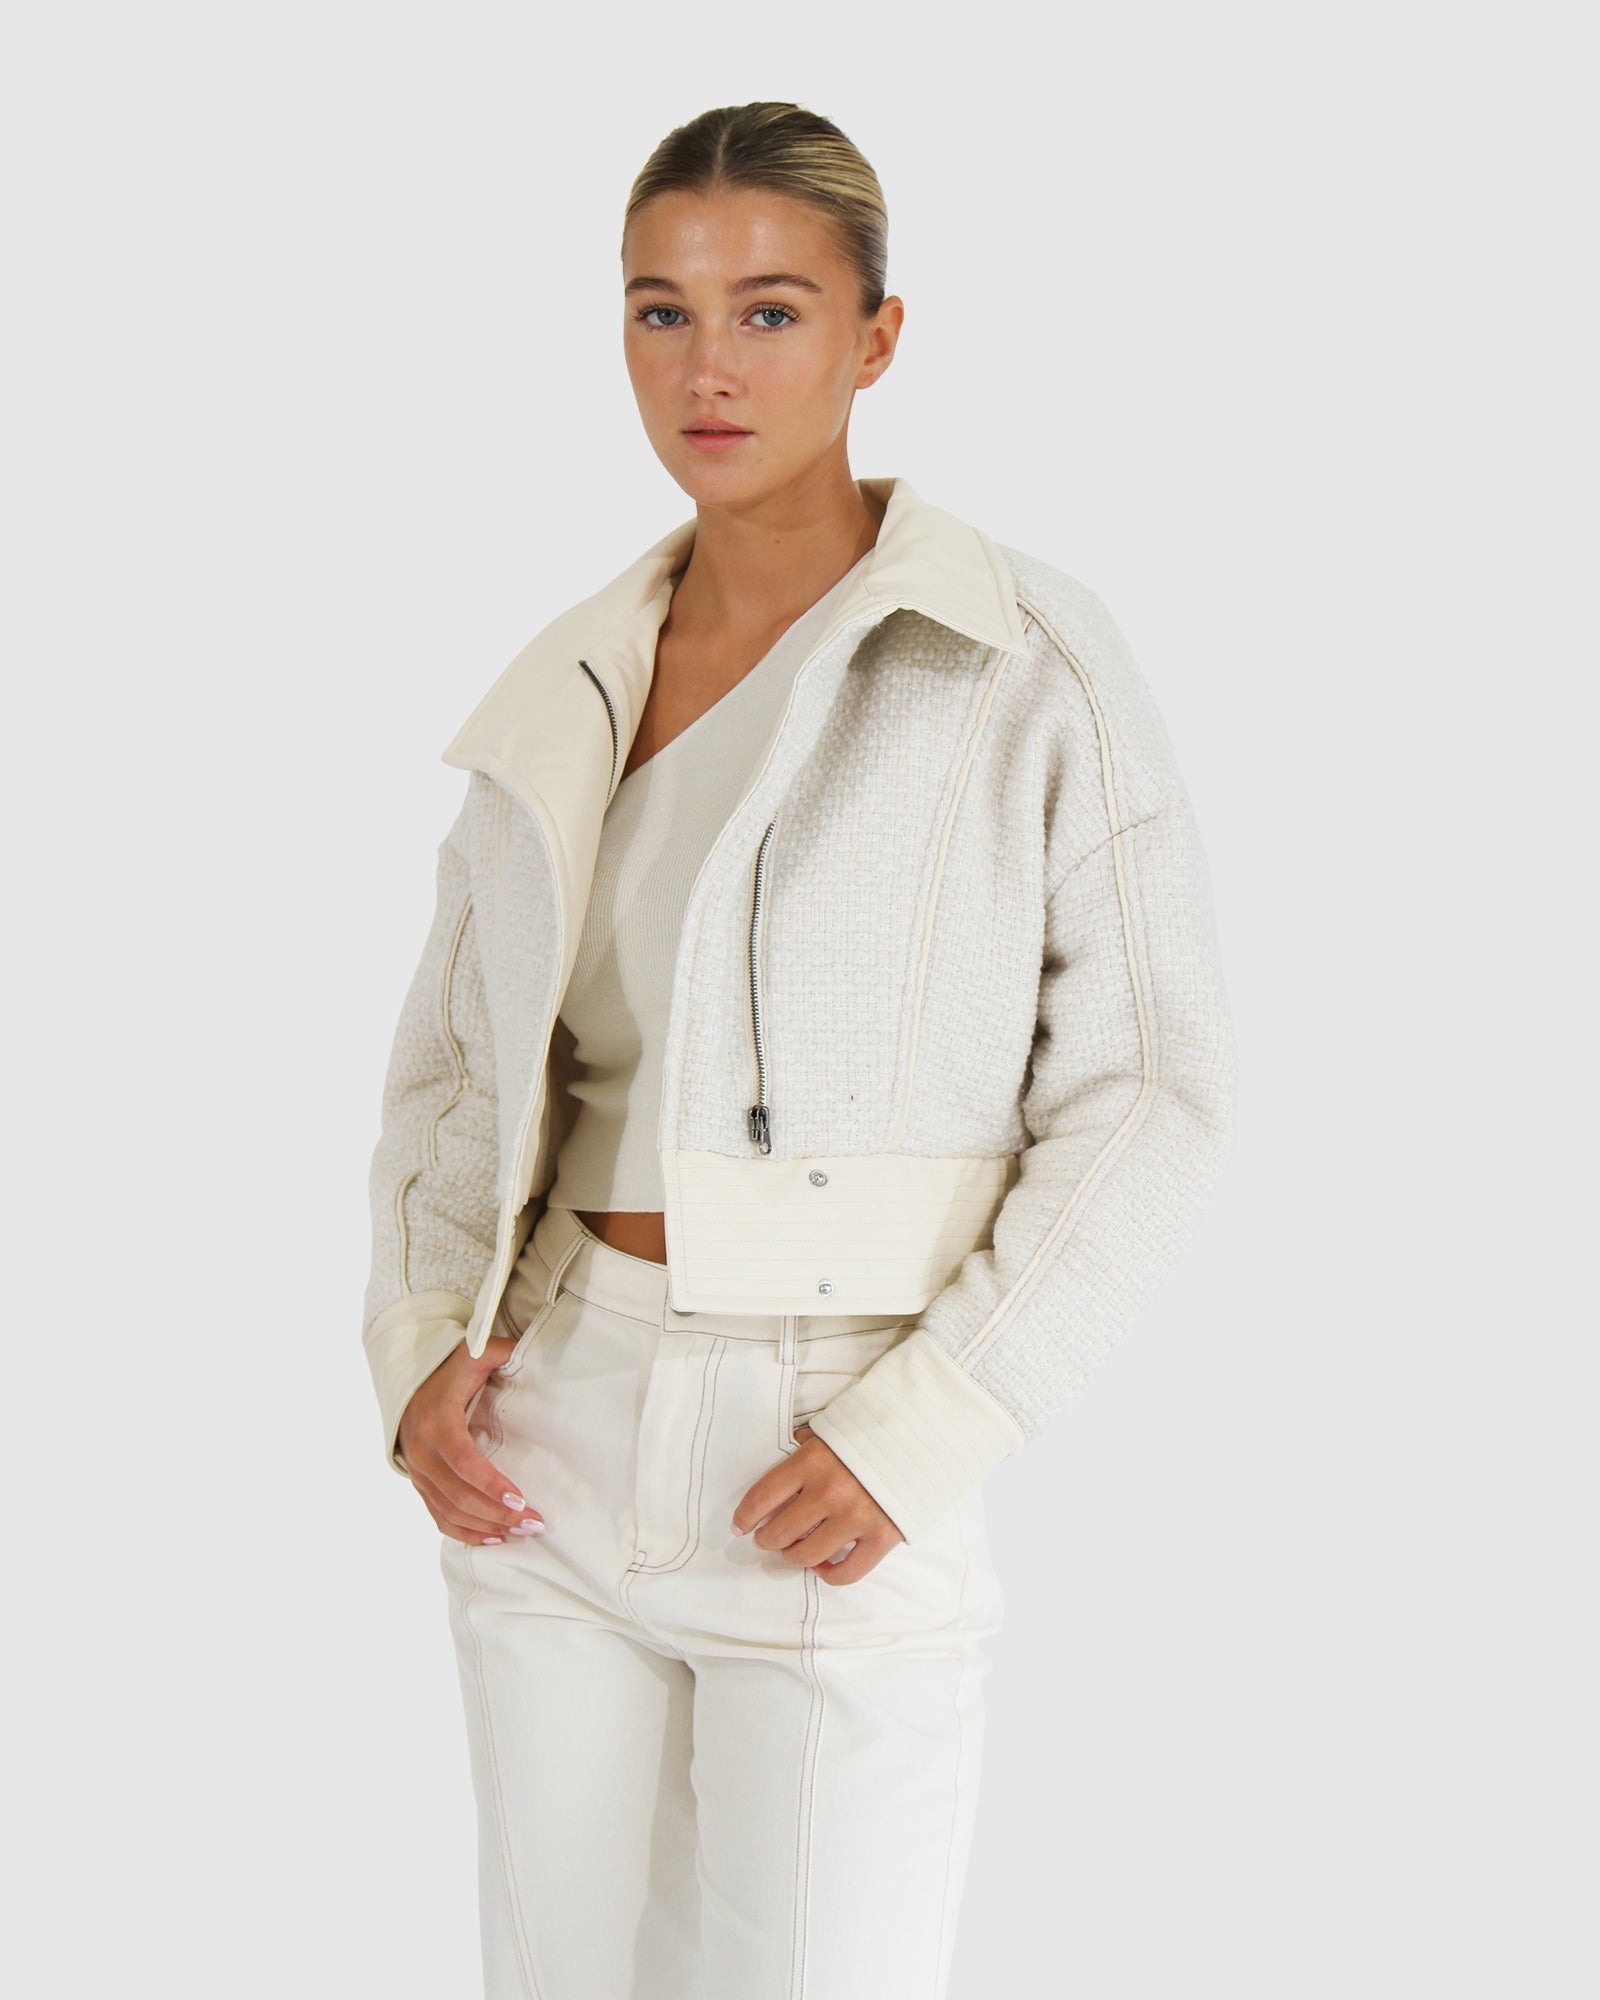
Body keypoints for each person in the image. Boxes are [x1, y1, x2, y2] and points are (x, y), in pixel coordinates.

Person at [361, 99, 1237, 2000]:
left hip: (833, 1440)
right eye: (660, 312)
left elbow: (1155, 1087)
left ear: (877, 336)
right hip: (545, 1430)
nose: (710, 367)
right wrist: (421, 1342)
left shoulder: (1019, 659)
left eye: (771, 311)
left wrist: (935, 1423)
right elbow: (454, 1065)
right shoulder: (569, 677)